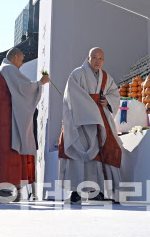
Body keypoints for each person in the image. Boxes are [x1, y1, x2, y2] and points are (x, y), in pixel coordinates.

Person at [0, 48, 49, 203]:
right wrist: (41, 83)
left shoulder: (0, 70)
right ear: (15, 57)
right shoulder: (8, 69)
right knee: (7, 153)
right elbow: (25, 88)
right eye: (21, 60)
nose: (21, 64)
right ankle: (4, 191)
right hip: (4, 121)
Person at [59, 47, 122, 204]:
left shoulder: (105, 77)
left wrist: (107, 100)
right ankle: (76, 191)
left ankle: (96, 190)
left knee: (99, 156)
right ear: (88, 58)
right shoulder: (77, 74)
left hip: (98, 120)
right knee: (79, 154)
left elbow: (115, 93)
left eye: (100, 58)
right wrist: (90, 108)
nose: (97, 61)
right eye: (94, 57)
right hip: (80, 120)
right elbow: (72, 96)